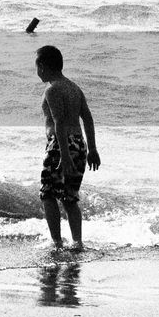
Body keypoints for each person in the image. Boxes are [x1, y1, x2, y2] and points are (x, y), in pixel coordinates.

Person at [35, 45, 101, 251]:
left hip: (60, 145)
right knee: (69, 196)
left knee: (47, 193)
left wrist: (63, 154)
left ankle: (56, 243)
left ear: (43, 66)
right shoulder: (74, 88)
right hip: (78, 145)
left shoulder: (52, 89)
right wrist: (92, 149)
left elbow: (58, 122)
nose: (37, 71)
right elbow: (88, 119)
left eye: (36, 66)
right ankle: (77, 242)